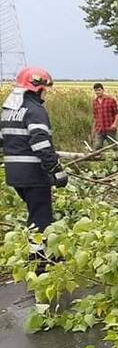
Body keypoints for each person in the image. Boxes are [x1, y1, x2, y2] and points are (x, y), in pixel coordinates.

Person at [0, 67, 68, 270]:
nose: (45, 92)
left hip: (15, 175)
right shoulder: (35, 111)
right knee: (41, 217)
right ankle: (41, 262)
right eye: (45, 88)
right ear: (36, 88)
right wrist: (56, 169)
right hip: (34, 173)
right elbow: (40, 143)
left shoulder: (10, 110)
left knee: (34, 215)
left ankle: (39, 255)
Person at [92, 82, 118, 149]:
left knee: (114, 147)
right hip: (99, 129)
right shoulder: (94, 102)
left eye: (99, 90)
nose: (97, 92)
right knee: (97, 146)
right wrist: (93, 130)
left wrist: (115, 124)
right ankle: (98, 158)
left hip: (110, 128)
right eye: (96, 91)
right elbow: (95, 117)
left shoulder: (110, 100)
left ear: (103, 90)